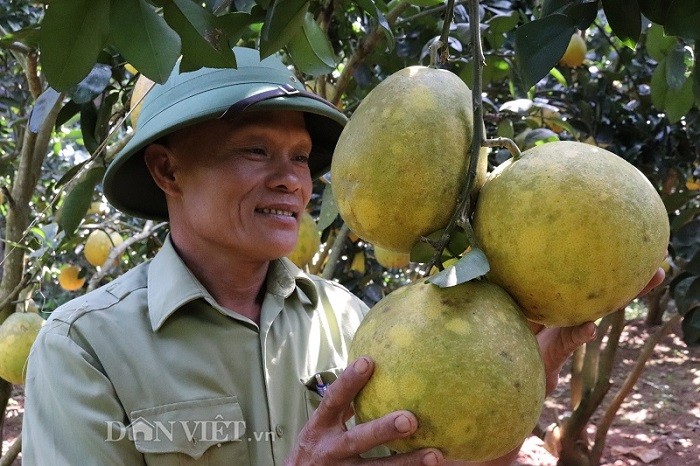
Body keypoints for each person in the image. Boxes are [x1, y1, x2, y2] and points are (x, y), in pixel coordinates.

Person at [22, 47, 665, 466]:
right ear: (167, 169)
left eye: (301, 158)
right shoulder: (86, 349)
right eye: (255, 151)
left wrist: (523, 378)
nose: (292, 181)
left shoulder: (349, 318)